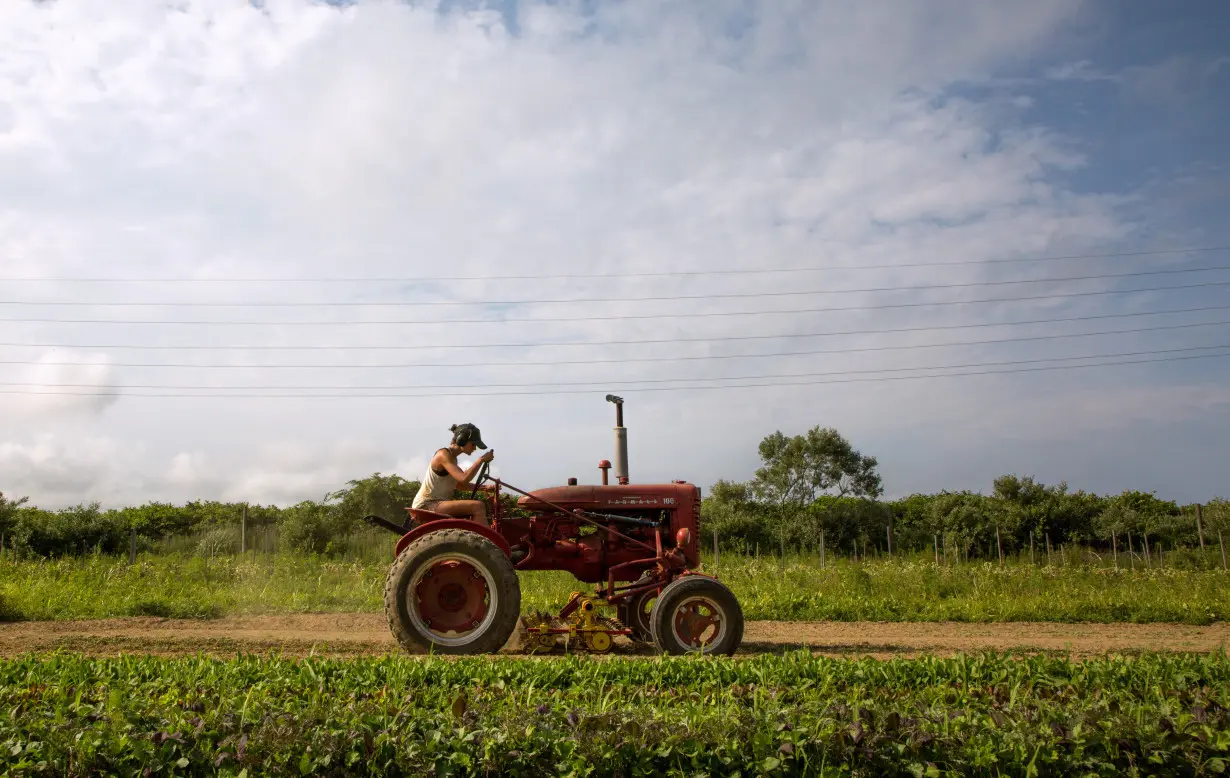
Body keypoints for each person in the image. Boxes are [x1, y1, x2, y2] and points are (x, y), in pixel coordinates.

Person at [412, 422, 496, 526]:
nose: (475, 448)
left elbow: (460, 486)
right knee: (477, 506)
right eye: (473, 444)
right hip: (426, 505)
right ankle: (485, 541)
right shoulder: (443, 455)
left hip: (436, 504)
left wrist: (485, 488)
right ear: (462, 440)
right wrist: (481, 460)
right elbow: (464, 479)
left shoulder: (452, 459)